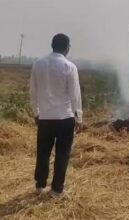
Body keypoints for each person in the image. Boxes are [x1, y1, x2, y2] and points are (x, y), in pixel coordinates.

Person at [29, 33, 82, 196]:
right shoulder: (69, 66)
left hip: (45, 118)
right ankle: (57, 189)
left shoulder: (38, 64)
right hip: (65, 118)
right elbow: (75, 95)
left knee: (43, 152)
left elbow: (33, 91)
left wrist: (35, 112)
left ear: (52, 45)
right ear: (66, 48)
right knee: (62, 154)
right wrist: (79, 117)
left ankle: (40, 185)